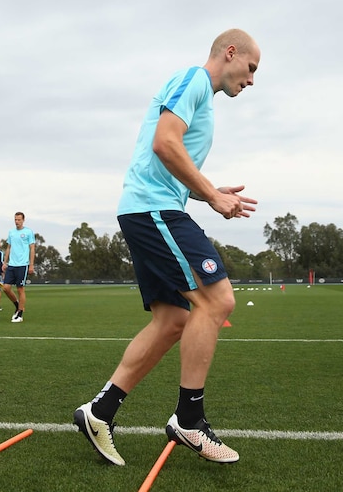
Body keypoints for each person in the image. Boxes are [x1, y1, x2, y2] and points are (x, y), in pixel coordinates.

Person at [73, 29, 260, 466]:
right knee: (217, 300)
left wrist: (207, 190)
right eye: (251, 68)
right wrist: (212, 196)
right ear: (229, 53)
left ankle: (99, 413)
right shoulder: (193, 79)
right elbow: (164, 142)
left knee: (174, 318)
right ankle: (189, 419)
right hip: (153, 210)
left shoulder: (203, 99)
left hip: (151, 208)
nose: (251, 80)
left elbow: (169, 160)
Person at [1, 212, 35, 323]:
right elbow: (8, 248)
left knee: (20, 289)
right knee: (6, 288)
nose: (17, 221)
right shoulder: (11, 232)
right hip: (11, 264)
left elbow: (32, 249)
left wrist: (31, 264)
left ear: (23, 220)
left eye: (19, 219)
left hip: (23, 264)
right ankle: (17, 305)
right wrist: (5, 262)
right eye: (15, 219)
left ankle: (20, 314)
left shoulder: (28, 232)